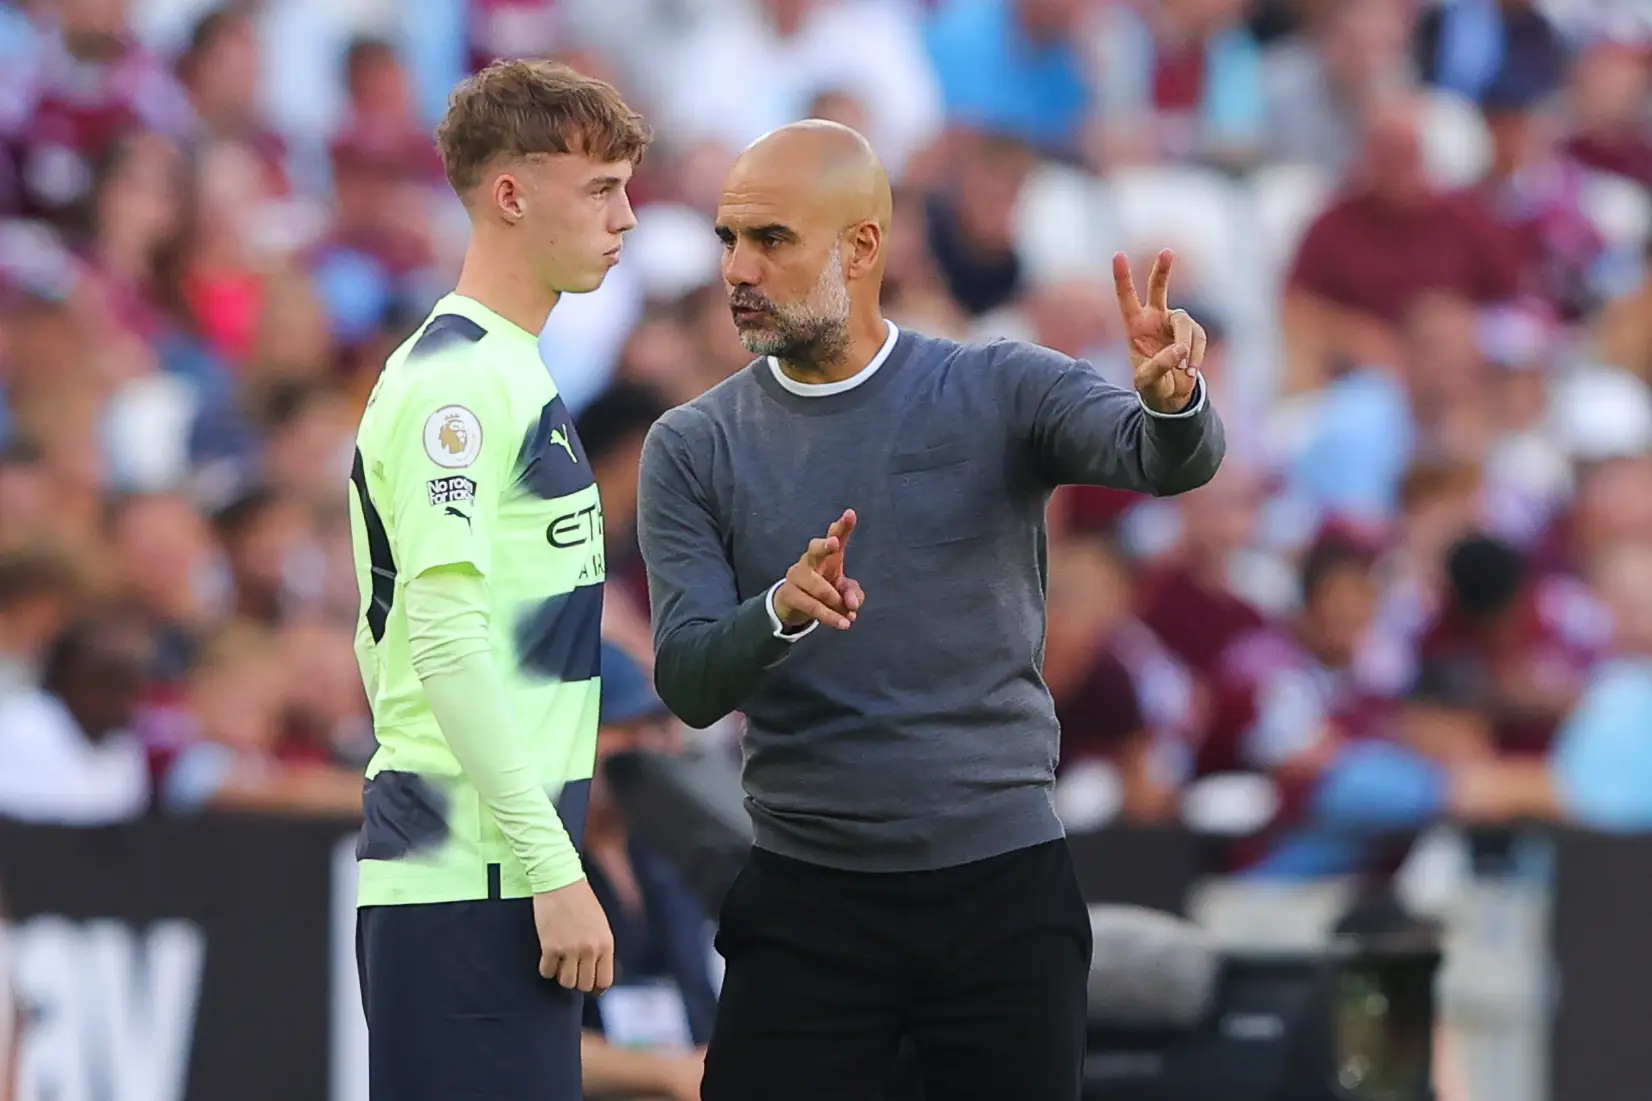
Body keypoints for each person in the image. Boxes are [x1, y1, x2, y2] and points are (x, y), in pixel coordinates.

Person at [636, 120, 1224, 1101]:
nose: (738, 268)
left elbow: (1161, 461)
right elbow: (689, 681)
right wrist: (777, 610)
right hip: (807, 901)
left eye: (771, 239)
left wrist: (1172, 403)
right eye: (728, 238)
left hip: (1000, 894)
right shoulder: (693, 445)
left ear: (862, 246)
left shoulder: (995, 384)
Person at [346, 59, 650, 1101]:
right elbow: (443, 643)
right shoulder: (459, 381)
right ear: (511, 195)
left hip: (494, 876)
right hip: (470, 880)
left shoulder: (510, 366)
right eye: (600, 189)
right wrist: (552, 867)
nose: (625, 217)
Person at [581, 641, 717, 1101]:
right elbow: (514, 1039)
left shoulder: (663, 850)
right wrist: (669, 1075)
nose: (644, 749)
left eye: (650, 729)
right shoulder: (530, 872)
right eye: (623, 731)